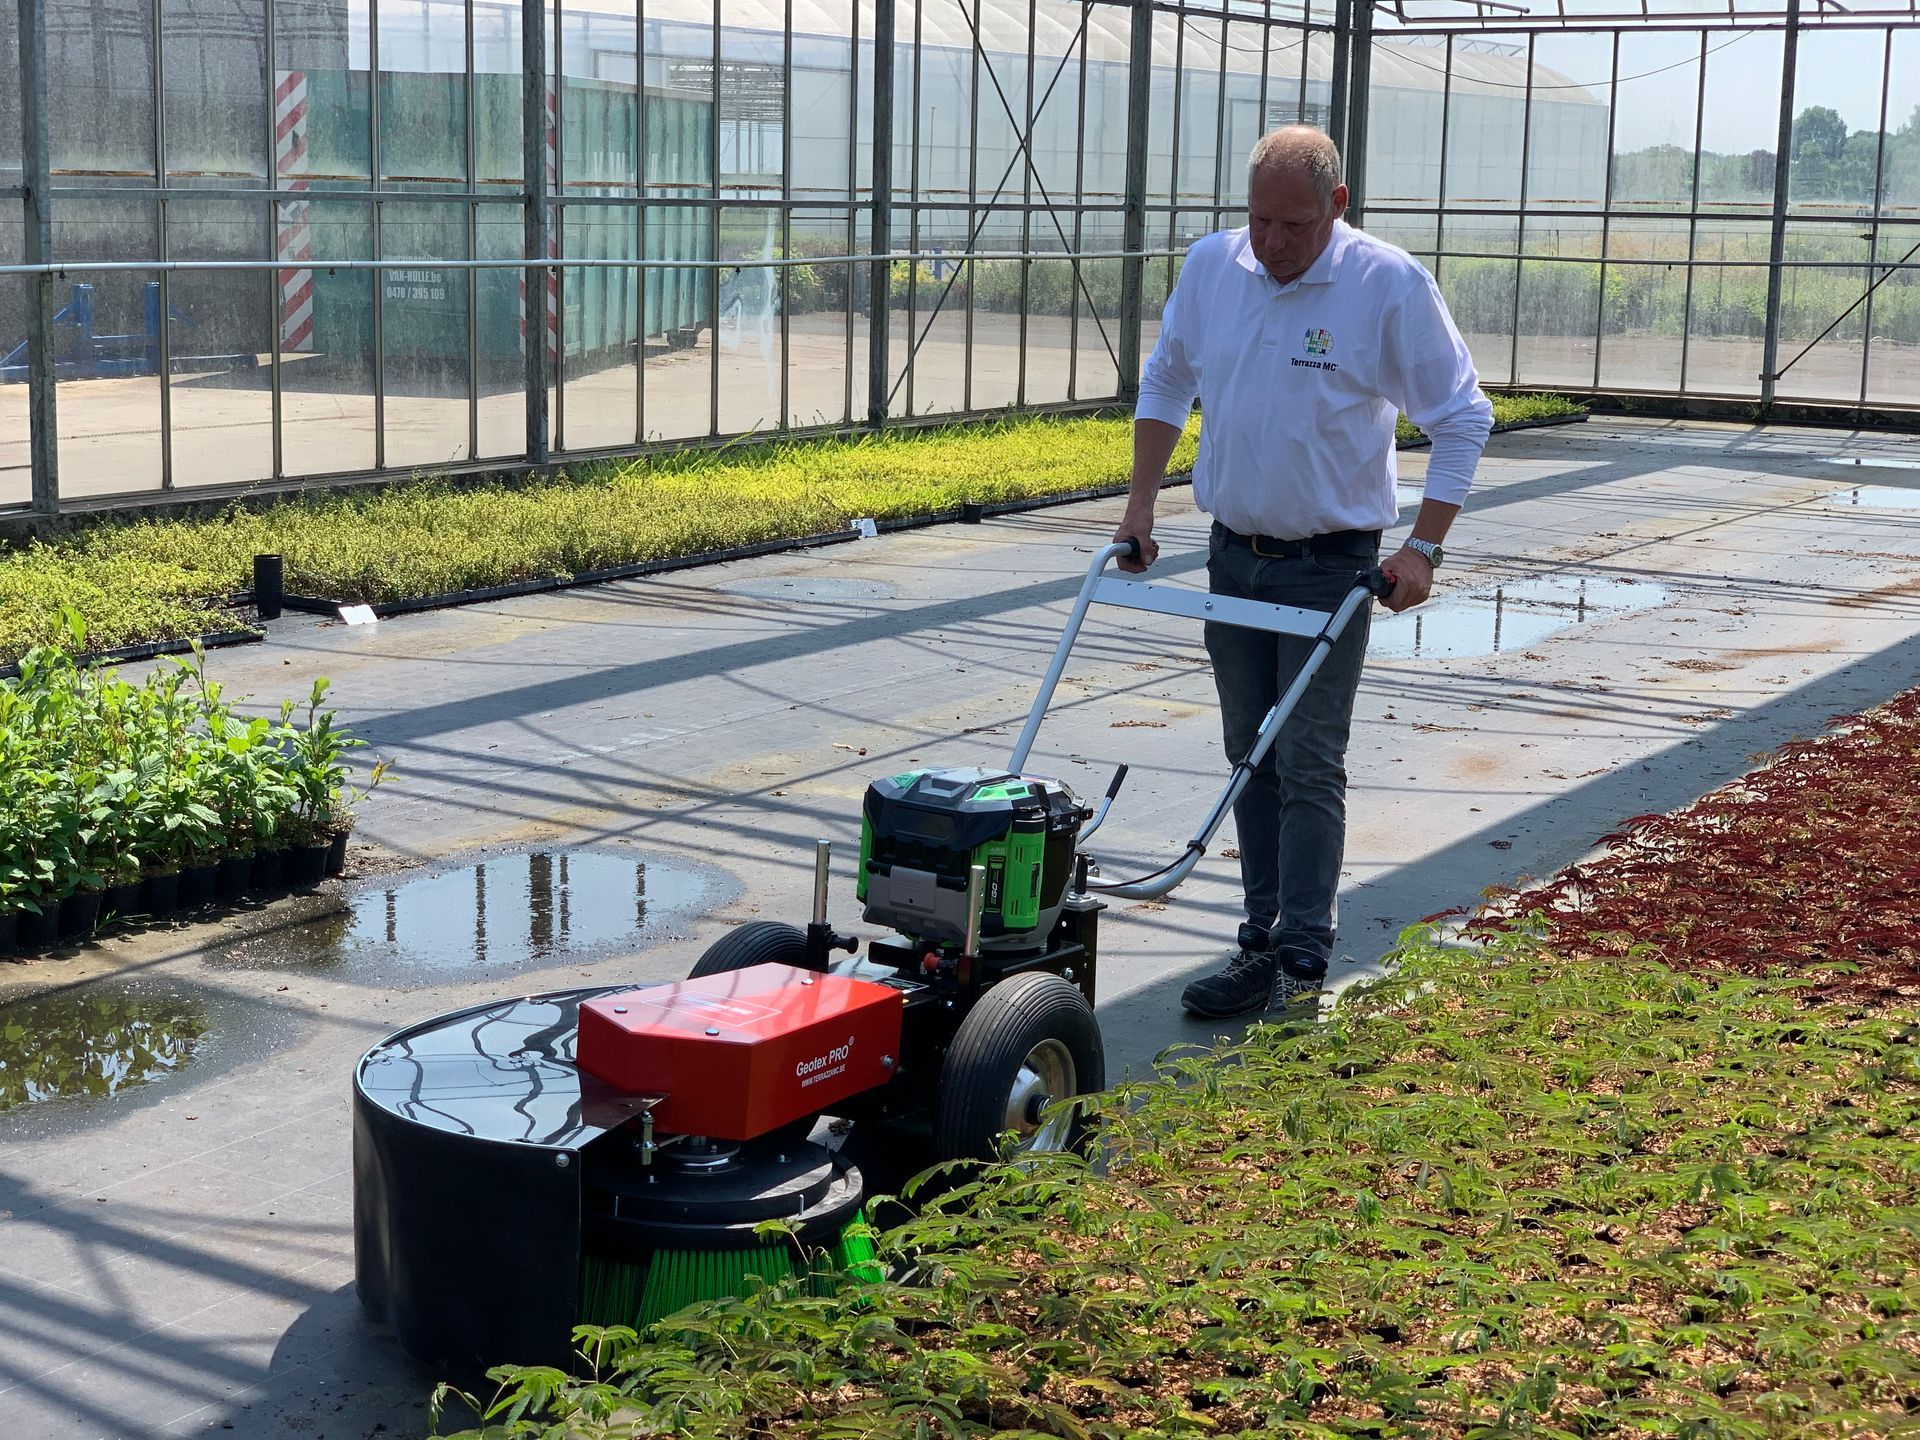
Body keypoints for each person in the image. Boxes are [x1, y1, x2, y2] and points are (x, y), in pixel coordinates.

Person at [1113, 125, 1492, 1021]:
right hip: (1234, 554)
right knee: (1250, 755)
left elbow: (1462, 418)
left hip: (1333, 570)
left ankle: (1303, 953)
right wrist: (1139, 510)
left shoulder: (1386, 285)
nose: (1274, 244)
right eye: (1259, 221)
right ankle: (1257, 938)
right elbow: (1166, 383)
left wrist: (1424, 550)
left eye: (1293, 225)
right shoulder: (1214, 267)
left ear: (1337, 206)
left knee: (1309, 758)